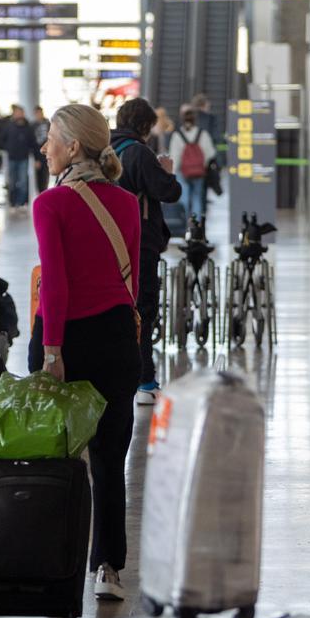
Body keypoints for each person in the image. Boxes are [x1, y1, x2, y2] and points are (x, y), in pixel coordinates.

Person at [31, 103, 140, 601]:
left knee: (53, 452)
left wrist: (52, 350)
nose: (43, 146)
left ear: (72, 146)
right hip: (118, 334)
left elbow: (55, 283)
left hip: (66, 337)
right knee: (109, 458)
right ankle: (108, 570)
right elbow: (131, 277)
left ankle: (49, 561)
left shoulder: (50, 204)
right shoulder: (126, 202)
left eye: (50, 137)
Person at [111, 98, 182, 406]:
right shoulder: (139, 153)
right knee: (143, 310)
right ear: (144, 126)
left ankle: (112, 375)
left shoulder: (103, 149)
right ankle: (145, 380)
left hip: (107, 241)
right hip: (139, 242)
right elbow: (168, 192)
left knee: (113, 308)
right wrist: (166, 171)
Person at [169, 104, 216, 221]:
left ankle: (185, 224)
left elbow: (174, 156)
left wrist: (174, 172)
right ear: (195, 120)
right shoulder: (202, 133)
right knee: (197, 198)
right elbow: (210, 152)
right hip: (199, 172)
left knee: (184, 197)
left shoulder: (177, 135)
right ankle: (196, 225)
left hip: (182, 172)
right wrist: (202, 164)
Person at [1, 104, 38, 212]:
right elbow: (1, 139)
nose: (19, 114)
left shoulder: (28, 127)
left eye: (20, 112)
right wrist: (8, 148)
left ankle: (22, 203)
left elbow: (33, 144)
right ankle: (13, 203)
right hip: (12, 158)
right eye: (17, 112)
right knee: (12, 182)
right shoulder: (9, 126)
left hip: (24, 158)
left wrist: (36, 158)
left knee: (23, 181)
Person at [33, 105, 51, 192]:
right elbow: (33, 143)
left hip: (47, 155)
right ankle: (40, 194)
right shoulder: (33, 126)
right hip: (38, 155)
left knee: (45, 176)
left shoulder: (48, 124)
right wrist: (36, 159)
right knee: (38, 177)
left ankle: (45, 192)